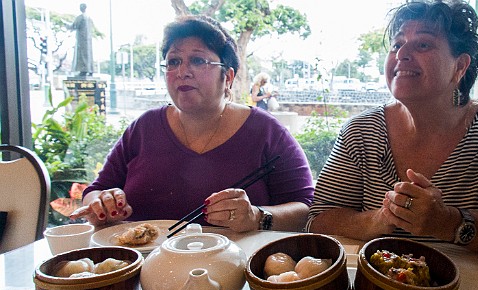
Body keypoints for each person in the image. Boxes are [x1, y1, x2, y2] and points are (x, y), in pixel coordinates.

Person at [306, 0, 478, 254]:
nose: (402, 54)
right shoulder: (361, 131)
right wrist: (379, 219)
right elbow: (318, 219)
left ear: (460, 66)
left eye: (423, 44)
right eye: (397, 44)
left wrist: (450, 223)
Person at [71, 15, 314, 232]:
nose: (182, 72)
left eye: (198, 61)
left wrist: (257, 216)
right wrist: (102, 203)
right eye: (174, 61)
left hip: (236, 272)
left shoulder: (266, 132)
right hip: (140, 269)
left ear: (227, 77)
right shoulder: (144, 128)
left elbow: (306, 209)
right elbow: (96, 190)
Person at [69, 3, 94, 76]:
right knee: (88, 55)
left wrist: (67, 25)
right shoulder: (89, 18)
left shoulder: (81, 17)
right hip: (88, 39)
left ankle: (84, 70)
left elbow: (74, 26)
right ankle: (90, 70)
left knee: (82, 55)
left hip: (82, 39)